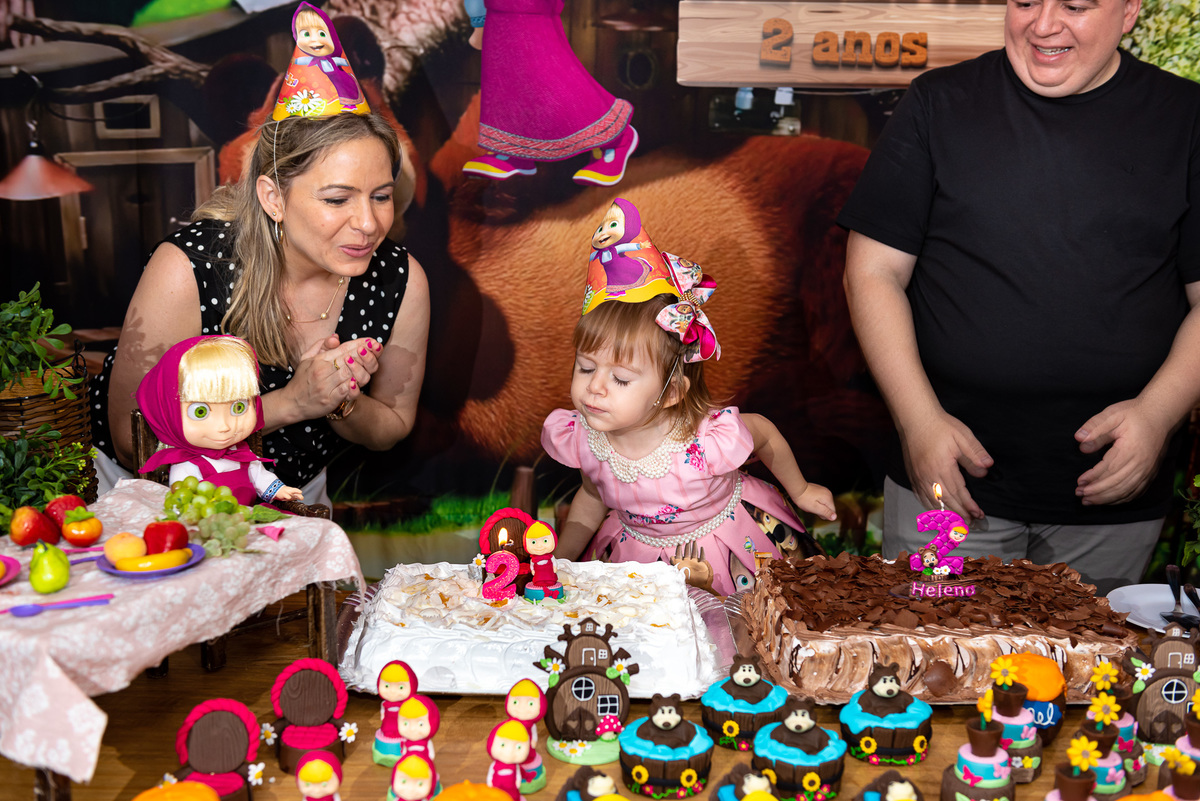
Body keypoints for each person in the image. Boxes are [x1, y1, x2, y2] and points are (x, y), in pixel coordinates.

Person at [839, 0, 1200, 592]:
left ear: (1131, 10)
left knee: (1083, 679)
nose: (1043, 24)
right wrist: (918, 422)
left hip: (1110, 499)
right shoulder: (939, 101)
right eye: (1025, 1)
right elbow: (872, 273)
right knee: (933, 665)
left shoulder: (1187, 118)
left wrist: (1157, 415)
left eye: (1076, 6)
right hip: (947, 480)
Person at [91, 3, 429, 508]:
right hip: (157, 491)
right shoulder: (192, 266)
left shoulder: (399, 277)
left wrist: (340, 399)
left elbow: (390, 428)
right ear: (273, 197)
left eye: (380, 195)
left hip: (292, 494)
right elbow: (131, 436)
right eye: (337, 199)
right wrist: (293, 402)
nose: (368, 223)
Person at [542, 200, 835, 596]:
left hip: (725, 548)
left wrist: (799, 490)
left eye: (621, 379)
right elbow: (594, 494)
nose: (595, 387)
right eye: (586, 368)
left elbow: (762, 433)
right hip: (637, 555)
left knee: (744, 635)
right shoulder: (586, 438)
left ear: (670, 394)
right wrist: (561, 557)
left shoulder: (702, 441)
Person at [460, 0, 638, 186]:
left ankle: (617, 137)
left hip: (534, 11)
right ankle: (512, 152)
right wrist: (479, 21)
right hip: (497, 14)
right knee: (505, 79)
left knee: (551, 77)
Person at [135, 335, 304, 505]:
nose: (224, 426)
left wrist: (279, 490)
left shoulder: (242, 454)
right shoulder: (187, 467)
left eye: (239, 407)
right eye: (200, 412)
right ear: (168, 414)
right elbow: (184, 504)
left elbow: (260, 477)